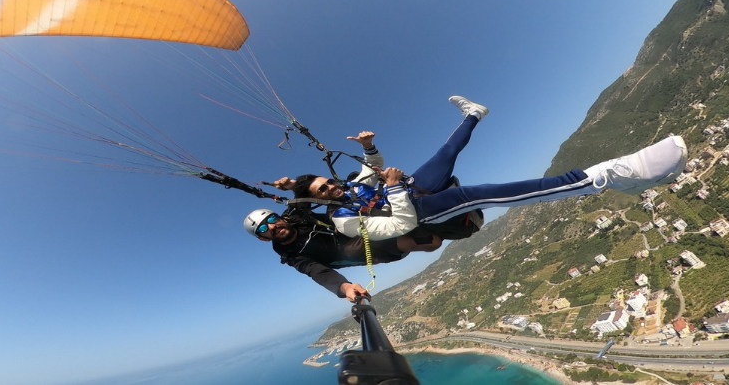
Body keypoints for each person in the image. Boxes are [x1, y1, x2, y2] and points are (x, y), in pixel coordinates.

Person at [275, 96, 689, 240]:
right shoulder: (346, 220)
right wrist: (397, 189)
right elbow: (397, 227)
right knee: (482, 192)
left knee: (444, 154)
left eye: (328, 183)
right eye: (323, 192)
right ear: (315, 201)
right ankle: (604, 177)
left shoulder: (350, 187)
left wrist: (369, 148)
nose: (331, 189)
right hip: (418, 211)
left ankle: (474, 114)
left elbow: (372, 167)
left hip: (410, 190)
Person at [242, 208, 443, 301]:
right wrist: (345, 287)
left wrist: (292, 185)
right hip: (374, 247)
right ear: (263, 238)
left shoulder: (299, 217)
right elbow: (318, 272)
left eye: (272, 218)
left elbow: (308, 193)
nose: (272, 226)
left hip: (368, 224)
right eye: (263, 229)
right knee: (432, 241)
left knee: (337, 208)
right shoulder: (293, 255)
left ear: (280, 217)